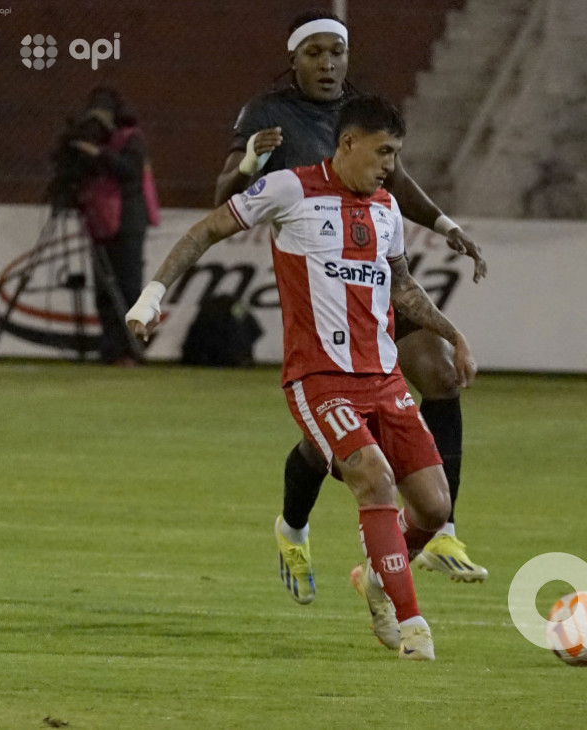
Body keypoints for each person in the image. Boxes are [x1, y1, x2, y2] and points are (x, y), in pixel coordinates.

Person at [126, 95, 477, 660]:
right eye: (384, 151)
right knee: (375, 479)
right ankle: (412, 624)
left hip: (385, 378)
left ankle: (375, 576)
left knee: (435, 510)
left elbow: (404, 288)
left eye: (396, 153)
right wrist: (152, 295)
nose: (390, 164)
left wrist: (453, 333)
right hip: (320, 380)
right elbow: (208, 229)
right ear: (348, 144)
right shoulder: (290, 188)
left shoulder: (387, 208)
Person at [215, 9, 488, 604]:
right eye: (313, 52)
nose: (327, 63)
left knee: (441, 375)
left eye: (335, 51)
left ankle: (442, 528)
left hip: (375, 269)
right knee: (327, 445)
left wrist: (445, 224)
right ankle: (292, 526)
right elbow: (224, 201)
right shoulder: (266, 114)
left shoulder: (361, 110)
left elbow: (397, 179)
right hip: (319, 285)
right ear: (294, 59)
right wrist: (248, 164)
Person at [64, 87, 154, 365]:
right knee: (104, 288)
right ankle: (111, 347)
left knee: (126, 287)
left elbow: (130, 173)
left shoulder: (131, 140)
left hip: (127, 221)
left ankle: (131, 349)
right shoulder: (98, 142)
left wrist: (98, 154)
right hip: (101, 221)